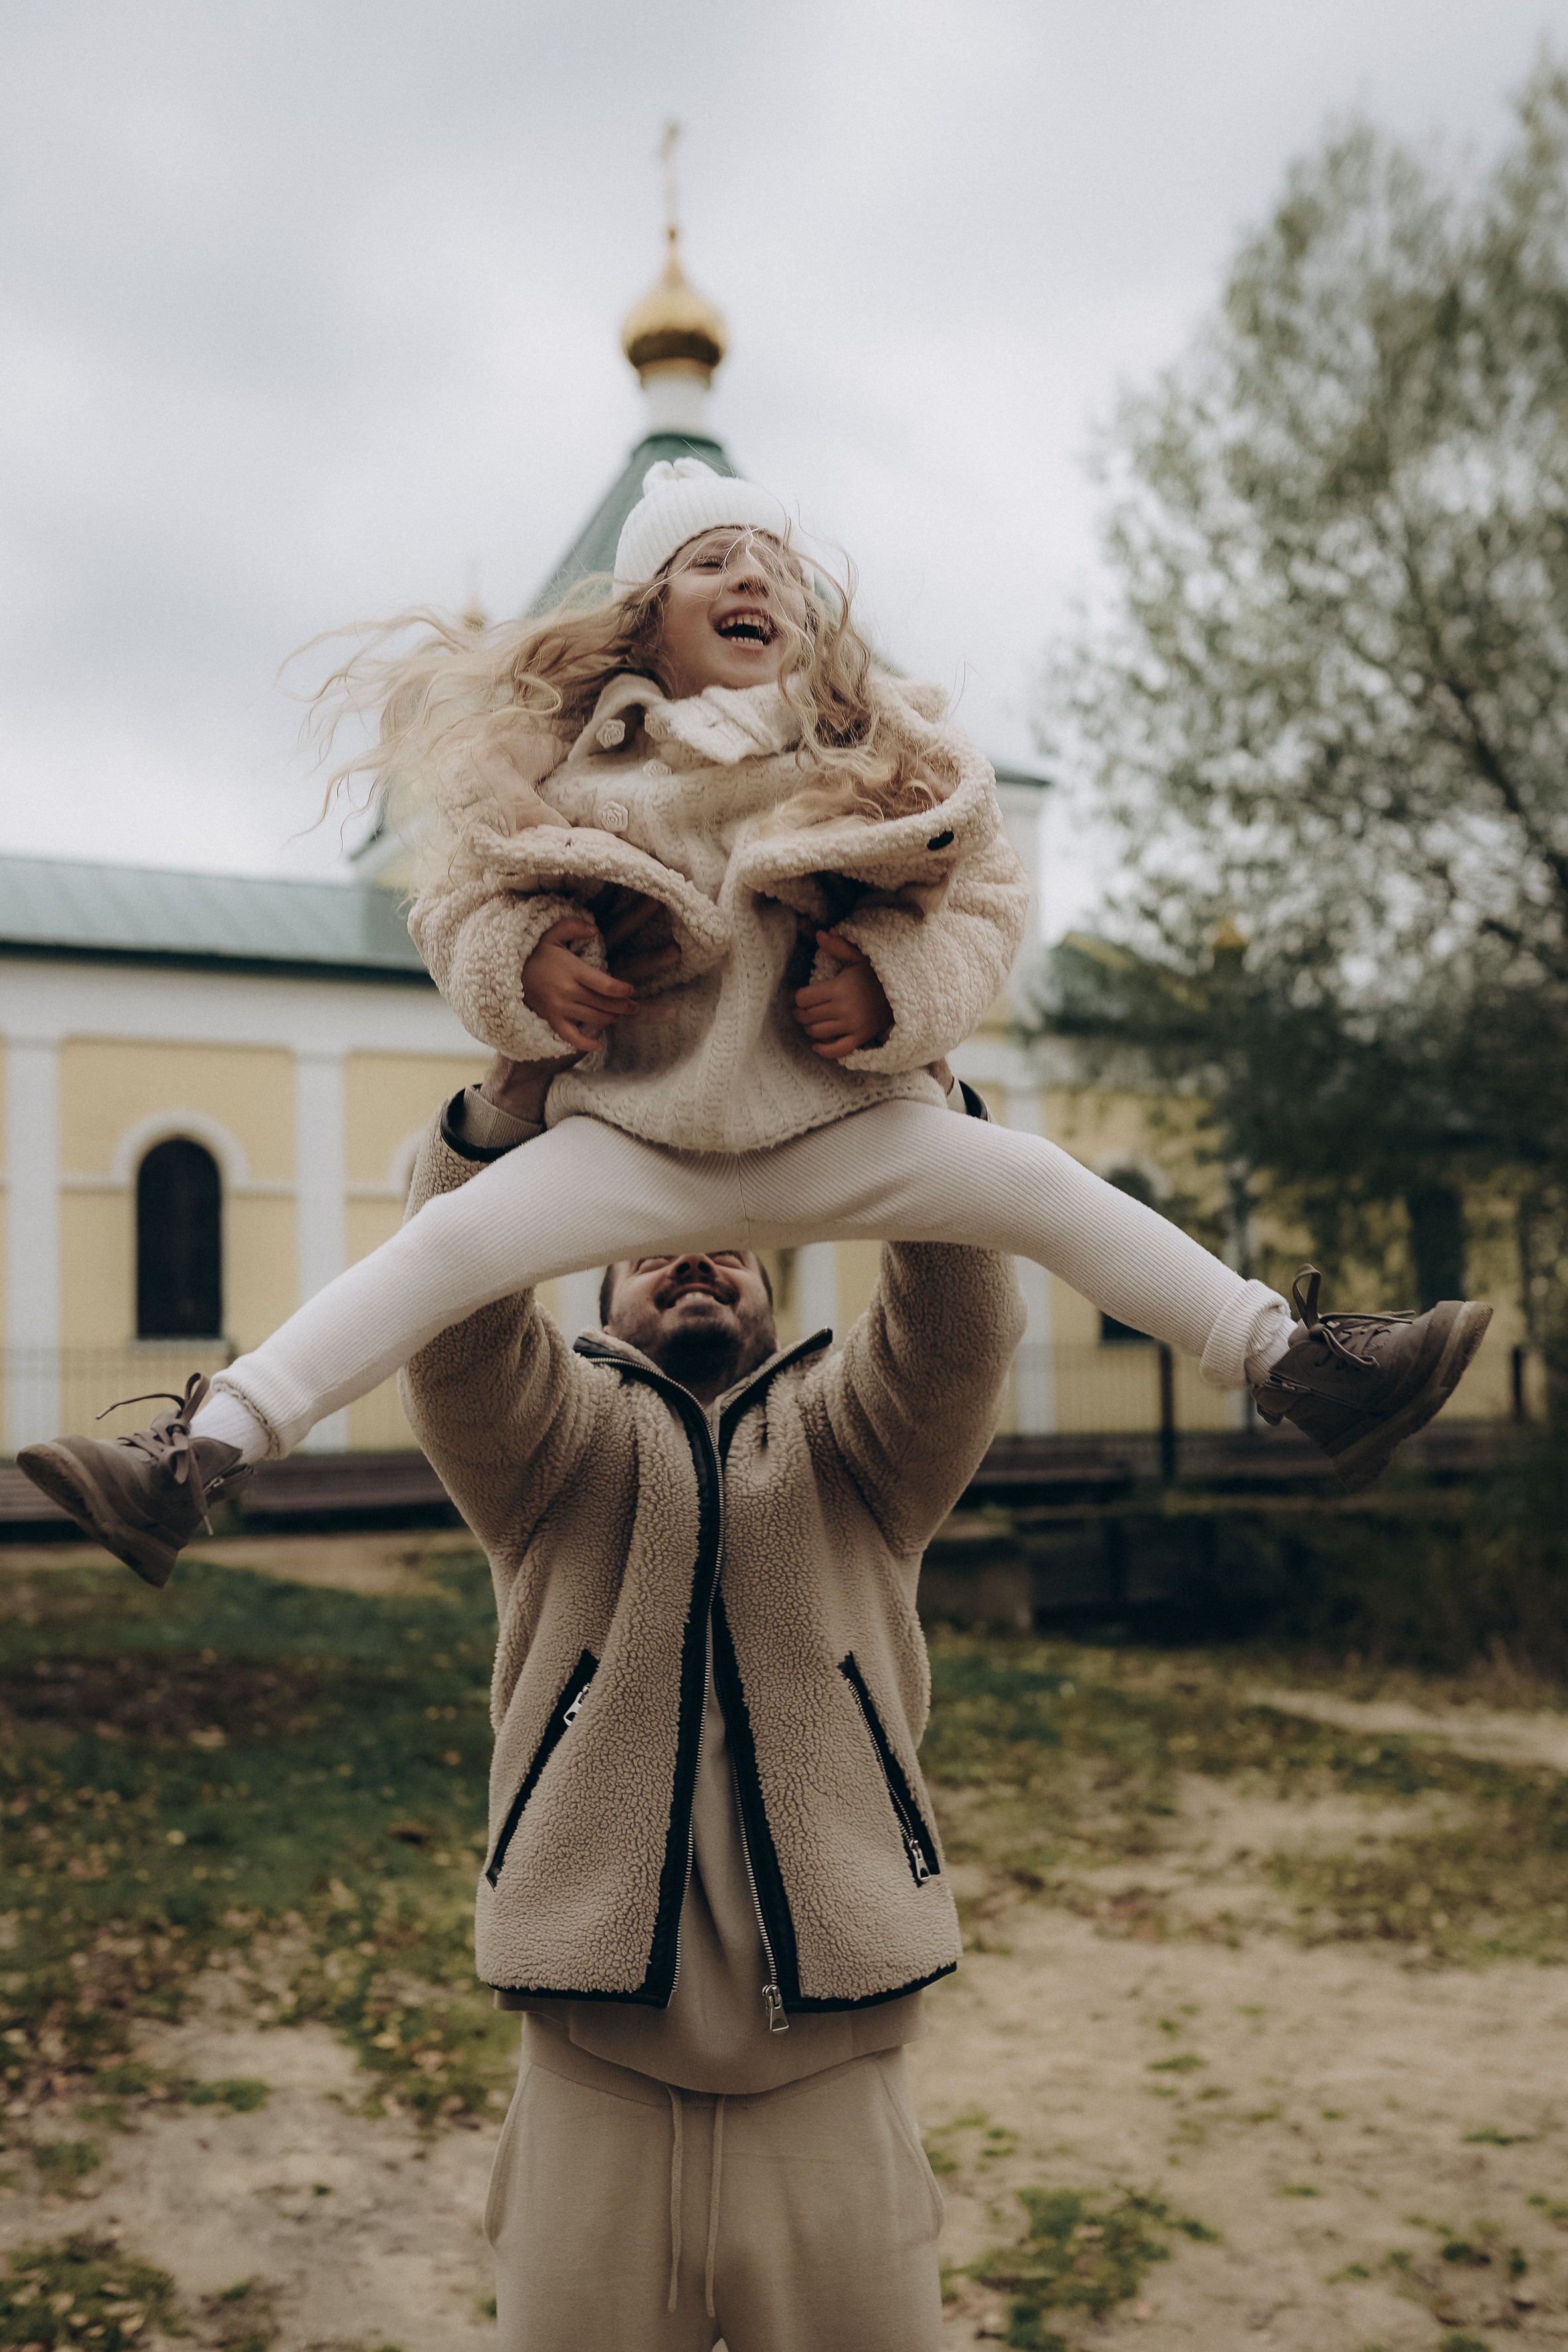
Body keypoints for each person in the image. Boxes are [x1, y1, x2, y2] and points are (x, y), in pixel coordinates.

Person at [19, 458, 1492, 1582]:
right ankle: (190, 1460)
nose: (753, 580)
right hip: (646, 1132)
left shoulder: (864, 759)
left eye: (774, 565)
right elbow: (456, 906)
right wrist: (528, 967)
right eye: (713, 560)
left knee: (1036, 1182)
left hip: (839, 1117)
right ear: (645, 613)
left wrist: (891, 990)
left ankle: (1303, 1369)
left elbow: (980, 904)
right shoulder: (583, 768)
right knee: (452, 1247)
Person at [411, 1047, 1019, 2350]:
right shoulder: (548, 1449)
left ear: (774, 1285)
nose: (691, 1260)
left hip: (831, 2099)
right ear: (600, 1294)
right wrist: (505, 1108)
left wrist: (917, 1089)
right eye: (651, 1251)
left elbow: (960, 1323)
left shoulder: (860, 1438)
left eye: (727, 1250)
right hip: (595, 2095)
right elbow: (454, 1318)